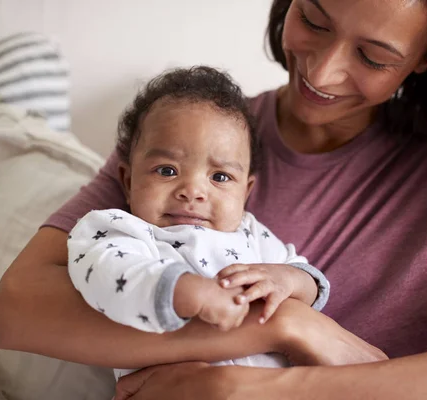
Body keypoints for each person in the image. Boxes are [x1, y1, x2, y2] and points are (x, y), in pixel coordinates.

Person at [0, 0, 427, 399]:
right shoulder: (188, 140)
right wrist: (287, 327)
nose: (323, 69)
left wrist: (252, 389)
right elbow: (15, 311)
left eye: (373, 56)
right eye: (313, 18)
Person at [66, 66, 330, 378]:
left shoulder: (251, 234)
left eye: (220, 177)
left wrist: (287, 280)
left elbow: (310, 282)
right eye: (167, 170)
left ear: (246, 192)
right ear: (127, 180)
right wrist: (183, 291)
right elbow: (103, 275)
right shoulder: (118, 230)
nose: (192, 191)